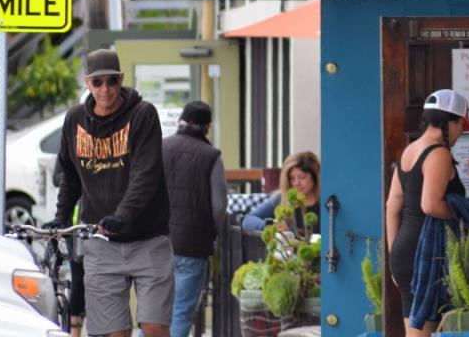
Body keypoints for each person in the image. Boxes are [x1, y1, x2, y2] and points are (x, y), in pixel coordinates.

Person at [54, 49, 173, 337]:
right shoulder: (74, 121)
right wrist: (60, 217)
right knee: (114, 332)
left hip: (148, 237)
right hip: (101, 241)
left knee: (154, 326)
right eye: (97, 83)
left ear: (121, 80)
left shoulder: (143, 115)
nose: (105, 89)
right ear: (87, 83)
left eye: (111, 81)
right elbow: (70, 175)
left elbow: (146, 174)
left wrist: (123, 215)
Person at [385, 90, 469, 337]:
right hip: (426, 253)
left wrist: (394, 254)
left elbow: (393, 206)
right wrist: (467, 212)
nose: (460, 134)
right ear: (450, 122)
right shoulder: (438, 153)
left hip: (405, 248)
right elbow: (431, 205)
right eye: (461, 126)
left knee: (415, 334)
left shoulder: (409, 151)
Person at [162, 100, 227, 337]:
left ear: (181, 120)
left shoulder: (160, 147)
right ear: (207, 127)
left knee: (156, 315)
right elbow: (219, 206)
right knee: (181, 312)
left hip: (156, 245)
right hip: (193, 245)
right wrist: (213, 233)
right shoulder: (211, 156)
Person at [240, 151, 320, 234]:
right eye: (292, 178)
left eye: (302, 177)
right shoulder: (281, 198)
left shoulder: (326, 201)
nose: (297, 183)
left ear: (315, 177)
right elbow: (248, 220)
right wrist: (271, 226)